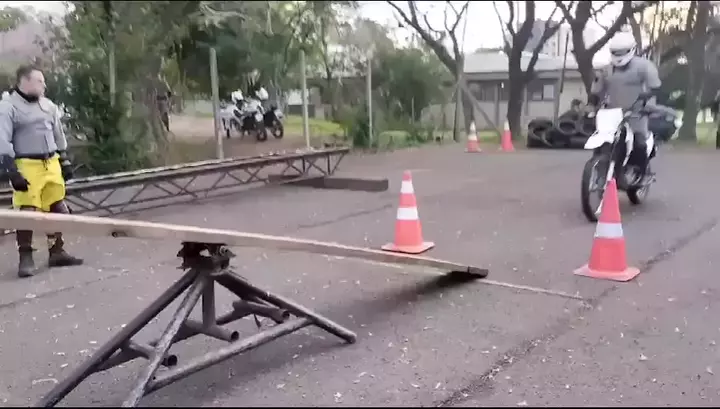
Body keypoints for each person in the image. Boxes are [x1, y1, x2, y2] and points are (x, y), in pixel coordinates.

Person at [0, 65, 83, 278]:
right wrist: (12, 171)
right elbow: (2, 139)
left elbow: (58, 133)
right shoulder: (8, 107)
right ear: (25, 81)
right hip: (27, 164)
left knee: (57, 206)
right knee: (28, 211)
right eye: (40, 81)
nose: (44, 85)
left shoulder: (48, 105)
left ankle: (56, 251)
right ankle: (25, 257)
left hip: (51, 162)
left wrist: (64, 161)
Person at [588, 31, 662, 184]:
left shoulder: (644, 66)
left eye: (622, 52)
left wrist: (647, 102)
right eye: (616, 52)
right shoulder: (605, 70)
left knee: (639, 142)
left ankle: (642, 174)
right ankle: (602, 171)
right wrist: (592, 104)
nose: (619, 55)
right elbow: (596, 90)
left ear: (631, 49)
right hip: (613, 112)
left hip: (638, 112)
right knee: (603, 140)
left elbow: (655, 87)